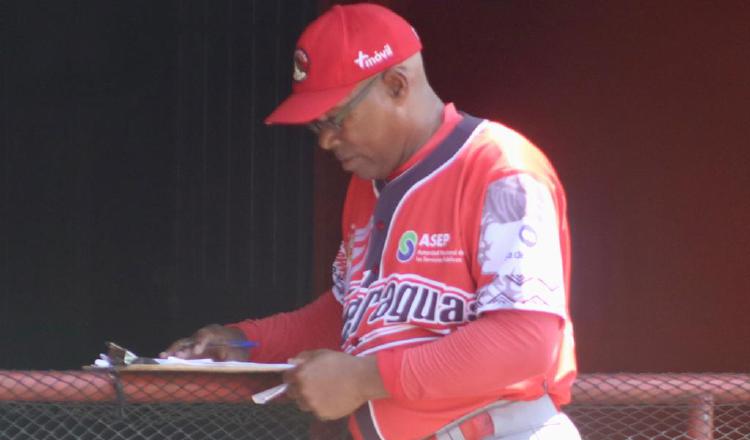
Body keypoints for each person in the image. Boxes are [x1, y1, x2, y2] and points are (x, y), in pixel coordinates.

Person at [162, 3, 580, 439]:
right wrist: (244, 342)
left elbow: (524, 343)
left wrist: (364, 379)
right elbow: (352, 311)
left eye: (336, 119)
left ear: (396, 85)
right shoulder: (367, 187)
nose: (326, 140)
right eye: (316, 126)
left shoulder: (500, 170)